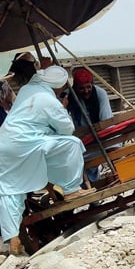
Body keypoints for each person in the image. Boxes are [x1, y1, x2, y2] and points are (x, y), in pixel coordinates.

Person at [0, 65, 92, 256]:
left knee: (10, 188)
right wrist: (63, 108)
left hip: (6, 143)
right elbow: (67, 129)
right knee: (72, 144)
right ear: (58, 86)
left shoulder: (27, 89)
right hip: (26, 144)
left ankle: (13, 239)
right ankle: (71, 190)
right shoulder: (48, 99)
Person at [67, 67, 115, 182]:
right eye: (81, 88)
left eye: (88, 87)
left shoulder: (100, 93)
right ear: (76, 88)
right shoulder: (69, 96)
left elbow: (106, 120)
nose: (86, 91)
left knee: (113, 144)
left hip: (101, 137)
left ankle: (117, 170)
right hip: (82, 141)